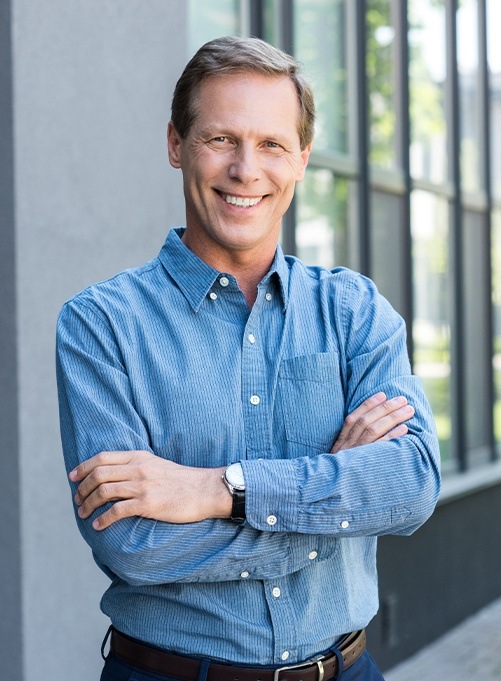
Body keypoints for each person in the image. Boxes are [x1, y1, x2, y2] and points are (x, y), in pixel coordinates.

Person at [56, 36, 441, 681]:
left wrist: (214, 491)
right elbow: (136, 547)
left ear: (302, 160)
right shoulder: (101, 325)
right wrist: (334, 491)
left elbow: (410, 484)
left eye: (271, 145)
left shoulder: (352, 310)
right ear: (177, 144)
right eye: (221, 140)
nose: (245, 169)